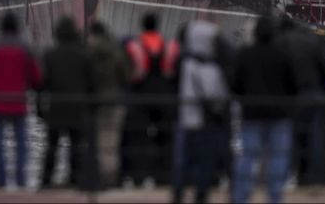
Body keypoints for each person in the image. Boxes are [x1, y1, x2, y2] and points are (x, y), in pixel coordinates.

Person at [232, 16, 297, 204]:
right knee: (277, 157)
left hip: (251, 113)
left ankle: (241, 196)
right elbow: (293, 85)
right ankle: (275, 196)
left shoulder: (245, 54)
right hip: (278, 114)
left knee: (247, 156)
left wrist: (244, 99)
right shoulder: (283, 55)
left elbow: (235, 84)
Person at [173, 20, 229, 204]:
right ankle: (201, 193)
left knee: (183, 161)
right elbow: (218, 97)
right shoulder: (210, 68)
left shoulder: (183, 64)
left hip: (185, 120)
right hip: (205, 123)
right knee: (204, 162)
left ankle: (178, 192)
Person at [40, 16, 97, 190]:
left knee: (51, 148)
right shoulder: (84, 56)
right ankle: (75, 179)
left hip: (56, 109)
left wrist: (39, 109)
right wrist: (91, 108)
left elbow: (43, 85)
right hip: (78, 109)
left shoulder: (50, 55)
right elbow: (92, 84)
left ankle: (46, 180)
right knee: (77, 147)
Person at [0, 12, 41, 190]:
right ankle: (21, 180)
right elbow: (36, 78)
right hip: (19, 103)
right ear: (17, 28)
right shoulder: (25, 48)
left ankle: (0, 181)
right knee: (21, 146)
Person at [278, 17, 325, 185]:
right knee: (316, 141)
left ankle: (295, 175)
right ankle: (317, 178)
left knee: (294, 139)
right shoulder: (312, 43)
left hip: (291, 100)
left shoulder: (279, 43)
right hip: (315, 97)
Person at [125, 13, 176, 185]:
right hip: (164, 96)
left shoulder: (136, 45)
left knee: (139, 137)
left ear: (143, 26)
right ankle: (163, 176)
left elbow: (135, 73)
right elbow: (170, 71)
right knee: (164, 136)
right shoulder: (167, 44)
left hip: (142, 97)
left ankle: (139, 175)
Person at [87, 20, 130, 188]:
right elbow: (126, 75)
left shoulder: (87, 50)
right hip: (115, 100)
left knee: (93, 140)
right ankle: (111, 177)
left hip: (94, 102)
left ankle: (94, 177)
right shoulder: (116, 50)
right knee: (112, 142)